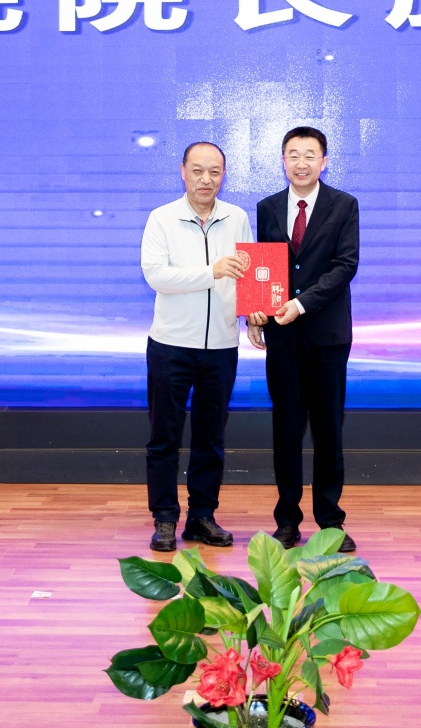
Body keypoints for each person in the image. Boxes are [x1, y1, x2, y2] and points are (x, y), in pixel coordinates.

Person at [139, 141, 254, 553]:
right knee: (164, 437)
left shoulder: (237, 218)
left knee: (210, 438)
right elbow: (156, 275)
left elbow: (248, 275)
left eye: (215, 172)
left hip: (221, 346)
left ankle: (202, 517)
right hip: (171, 345)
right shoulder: (162, 218)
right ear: (183, 171)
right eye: (198, 170)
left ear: (224, 175)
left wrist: (254, 314)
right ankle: (165, 518)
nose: (207, 179)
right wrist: (212, 271)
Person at [249, 126, 359, 552]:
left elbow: (345, 265)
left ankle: (331, 523)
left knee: (329, 431)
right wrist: (254, 313)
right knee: (286, 429)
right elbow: (262, 267)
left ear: (323, 161)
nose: (301, 163)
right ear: (283, 160)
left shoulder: (344, 205)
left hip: (328, 335)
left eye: (310, 155)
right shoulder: (267, 208)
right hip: (282, 337)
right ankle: (287, 521)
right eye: (293, 155)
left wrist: (301, 304)